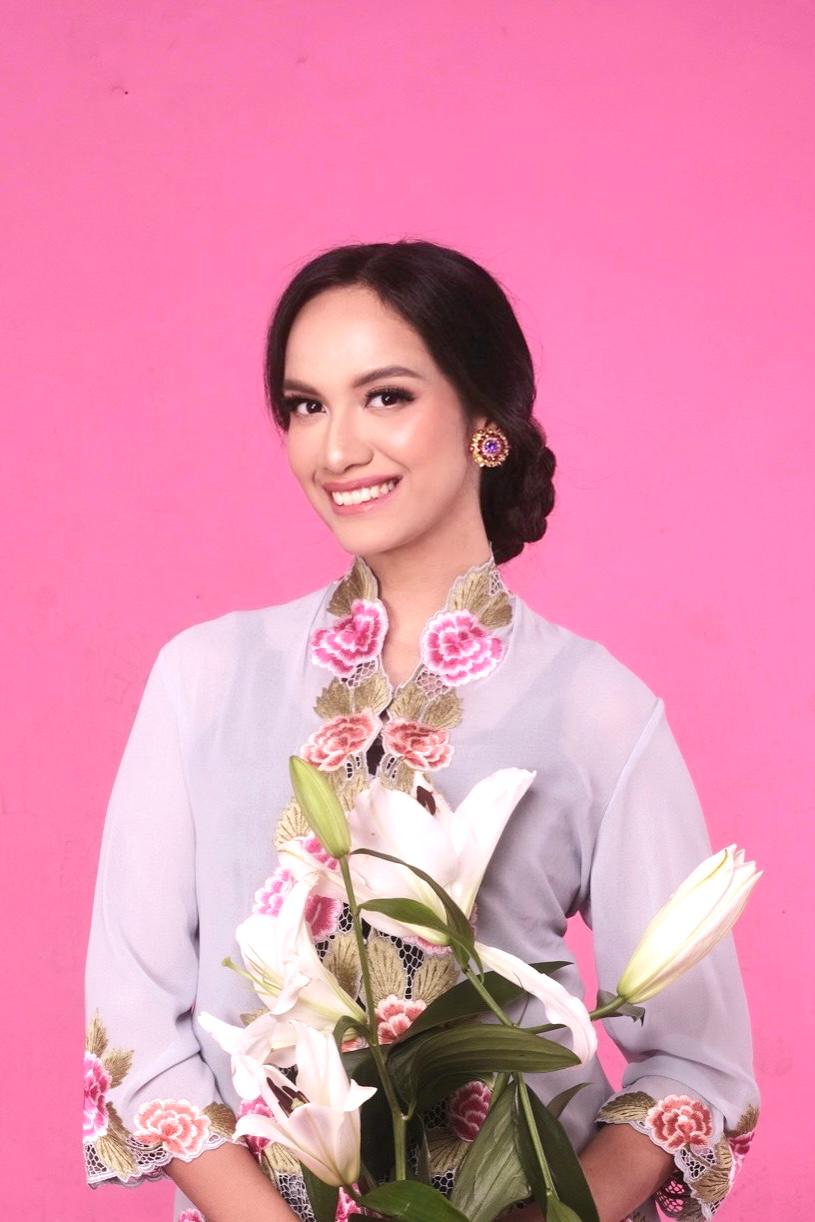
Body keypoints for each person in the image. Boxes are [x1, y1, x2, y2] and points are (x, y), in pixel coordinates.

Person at [83, 240, 760, 1222]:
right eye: (306, 405)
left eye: (385, 396)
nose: (336, 450)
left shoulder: (595, 706)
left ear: (486, 422)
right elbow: (133, 1026)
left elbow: (697, 1064)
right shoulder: (204, 679)